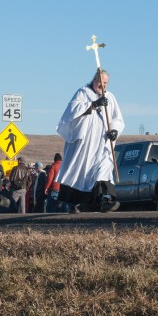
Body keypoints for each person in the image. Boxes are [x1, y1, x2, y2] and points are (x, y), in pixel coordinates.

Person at [56, 70, 125, 213]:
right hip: (84, 144)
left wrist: (114, 131)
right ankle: (77, 203)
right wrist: (93, 105)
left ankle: (106, 199)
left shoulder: (110, 97)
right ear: (94, 81)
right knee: (81, 171)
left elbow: (117, 119)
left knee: (104, 168)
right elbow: (72, 111)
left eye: (105, 83)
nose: (102, 85)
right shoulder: (83, 93)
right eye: (100, 82)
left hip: (102, 145)